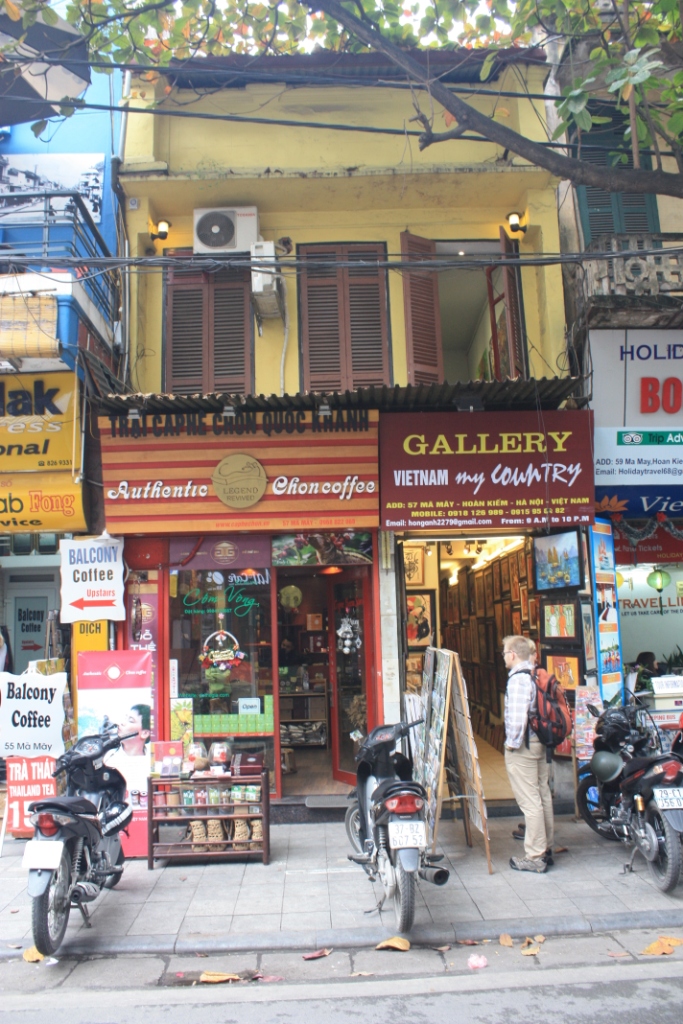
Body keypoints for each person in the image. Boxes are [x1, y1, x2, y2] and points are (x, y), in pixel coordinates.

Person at [503, 635, 554, 874]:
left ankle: (535, 855)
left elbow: (517, 719)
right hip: (539, 742)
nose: (504, 657)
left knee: (530, 801)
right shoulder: (535, 674)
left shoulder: (518, 680)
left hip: (524, 746)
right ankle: (547, 847)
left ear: (513, 654)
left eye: (505, 653)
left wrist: (511, 745)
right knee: (542, 795)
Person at [104, 704, 152, 798]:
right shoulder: (108, 758)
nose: (122, 723)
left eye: (130, 721)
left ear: (145, 733)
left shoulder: (152, 762)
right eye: (125, 718)